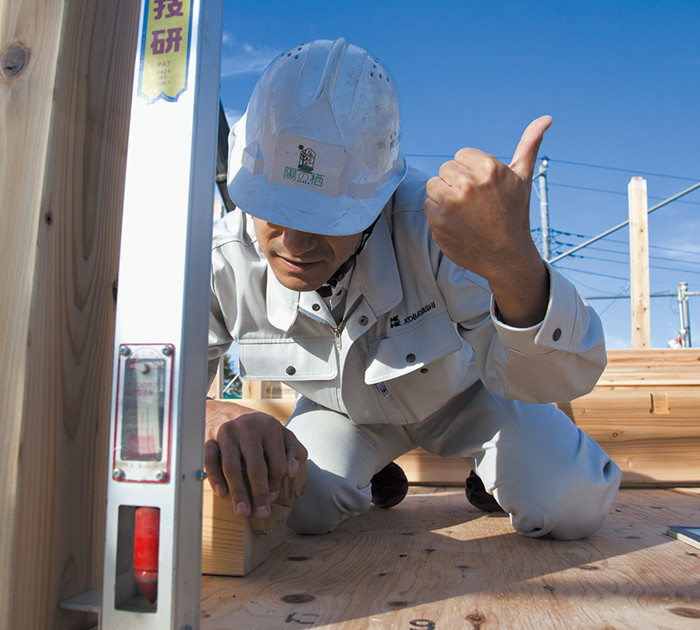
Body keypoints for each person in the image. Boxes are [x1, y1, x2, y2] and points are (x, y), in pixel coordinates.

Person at [205, 38, 621, 541]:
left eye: (325, 217)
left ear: (378, 201)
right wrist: (212, 413)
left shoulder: (443, 229)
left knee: (570, 503)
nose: (294, 242)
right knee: (295, 507)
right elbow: (150, 390)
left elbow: (561, 378)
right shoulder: (222, 258)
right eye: (276, 207)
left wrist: (513, 262)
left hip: (467, 397)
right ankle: (368, 473)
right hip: (343, 415)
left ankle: (490, 475)